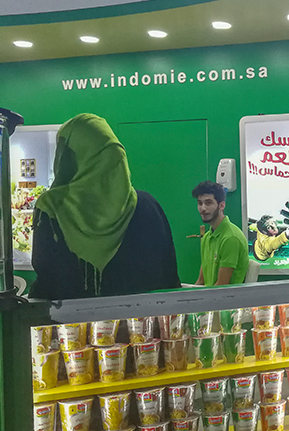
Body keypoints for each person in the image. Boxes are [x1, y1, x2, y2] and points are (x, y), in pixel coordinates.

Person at [29, 113, 180, 299]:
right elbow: (169, 276)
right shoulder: (149, 206)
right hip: (142, 317)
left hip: (71, 318)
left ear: (66, 155)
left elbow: (45, 274)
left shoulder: (52, 207)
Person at [192, 181, 248, 286]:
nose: (203, 208)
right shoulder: (207, 237)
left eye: (208, 203)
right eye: (200, 203)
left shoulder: (231, 238)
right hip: (210, 294)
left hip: (226, 296)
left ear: (221, 205)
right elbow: (201, 281)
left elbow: (222, 286)